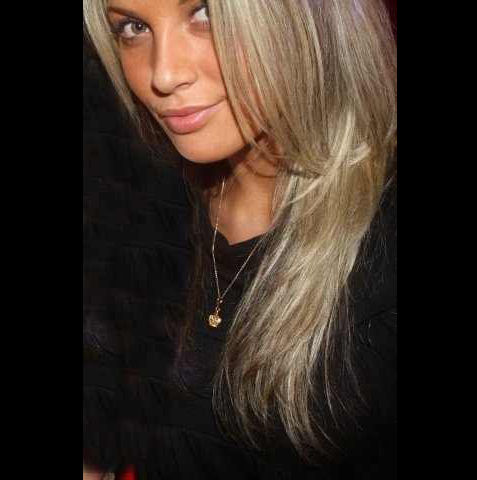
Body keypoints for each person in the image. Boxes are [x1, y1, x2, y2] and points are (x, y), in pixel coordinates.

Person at [83, 0, 397, 478]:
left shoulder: (380, 258)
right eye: (133, 27)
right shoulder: (141, 185)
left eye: (205, 14)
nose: (163, 74)